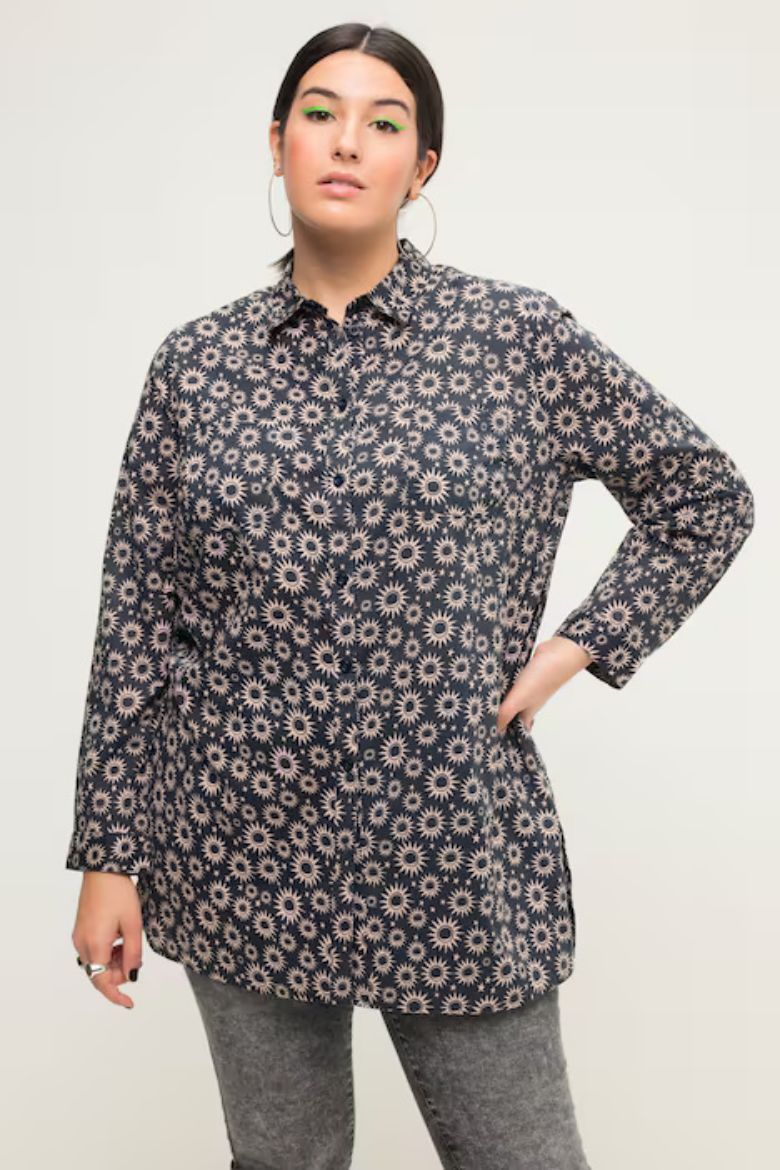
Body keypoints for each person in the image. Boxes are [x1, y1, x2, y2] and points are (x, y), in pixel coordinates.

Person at [66, 21, 755, 1170]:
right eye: (320, 114)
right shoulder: (196, 367)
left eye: (384, 124)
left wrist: (579, 646)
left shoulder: (515, 339)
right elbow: (138, 620)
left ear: (421, 167)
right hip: (239, 848)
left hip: (448, 843)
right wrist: (108, 855)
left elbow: (703, 496)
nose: (348, 142)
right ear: (277, 143)